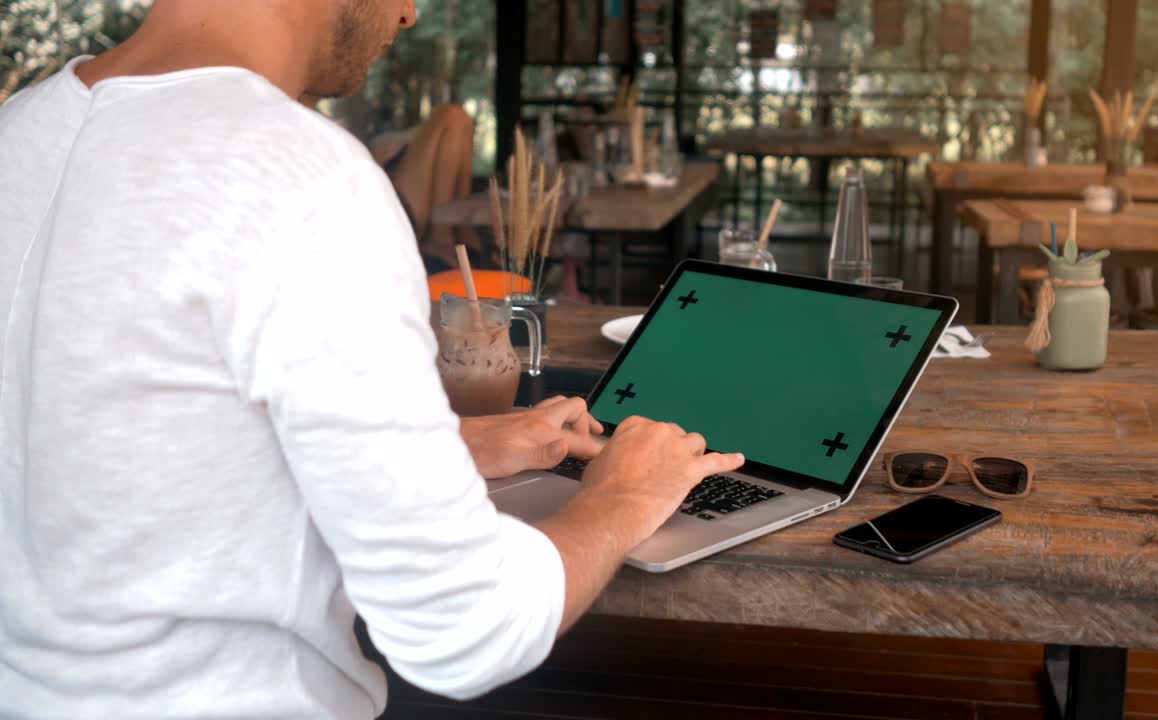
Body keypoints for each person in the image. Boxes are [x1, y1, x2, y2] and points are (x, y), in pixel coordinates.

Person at [0, 1, 744, 717]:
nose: (410, 14)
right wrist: (621, 496)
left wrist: (443, 447)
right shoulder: (304, 177)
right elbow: (465, 631)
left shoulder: (21, 130)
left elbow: (119, 425)